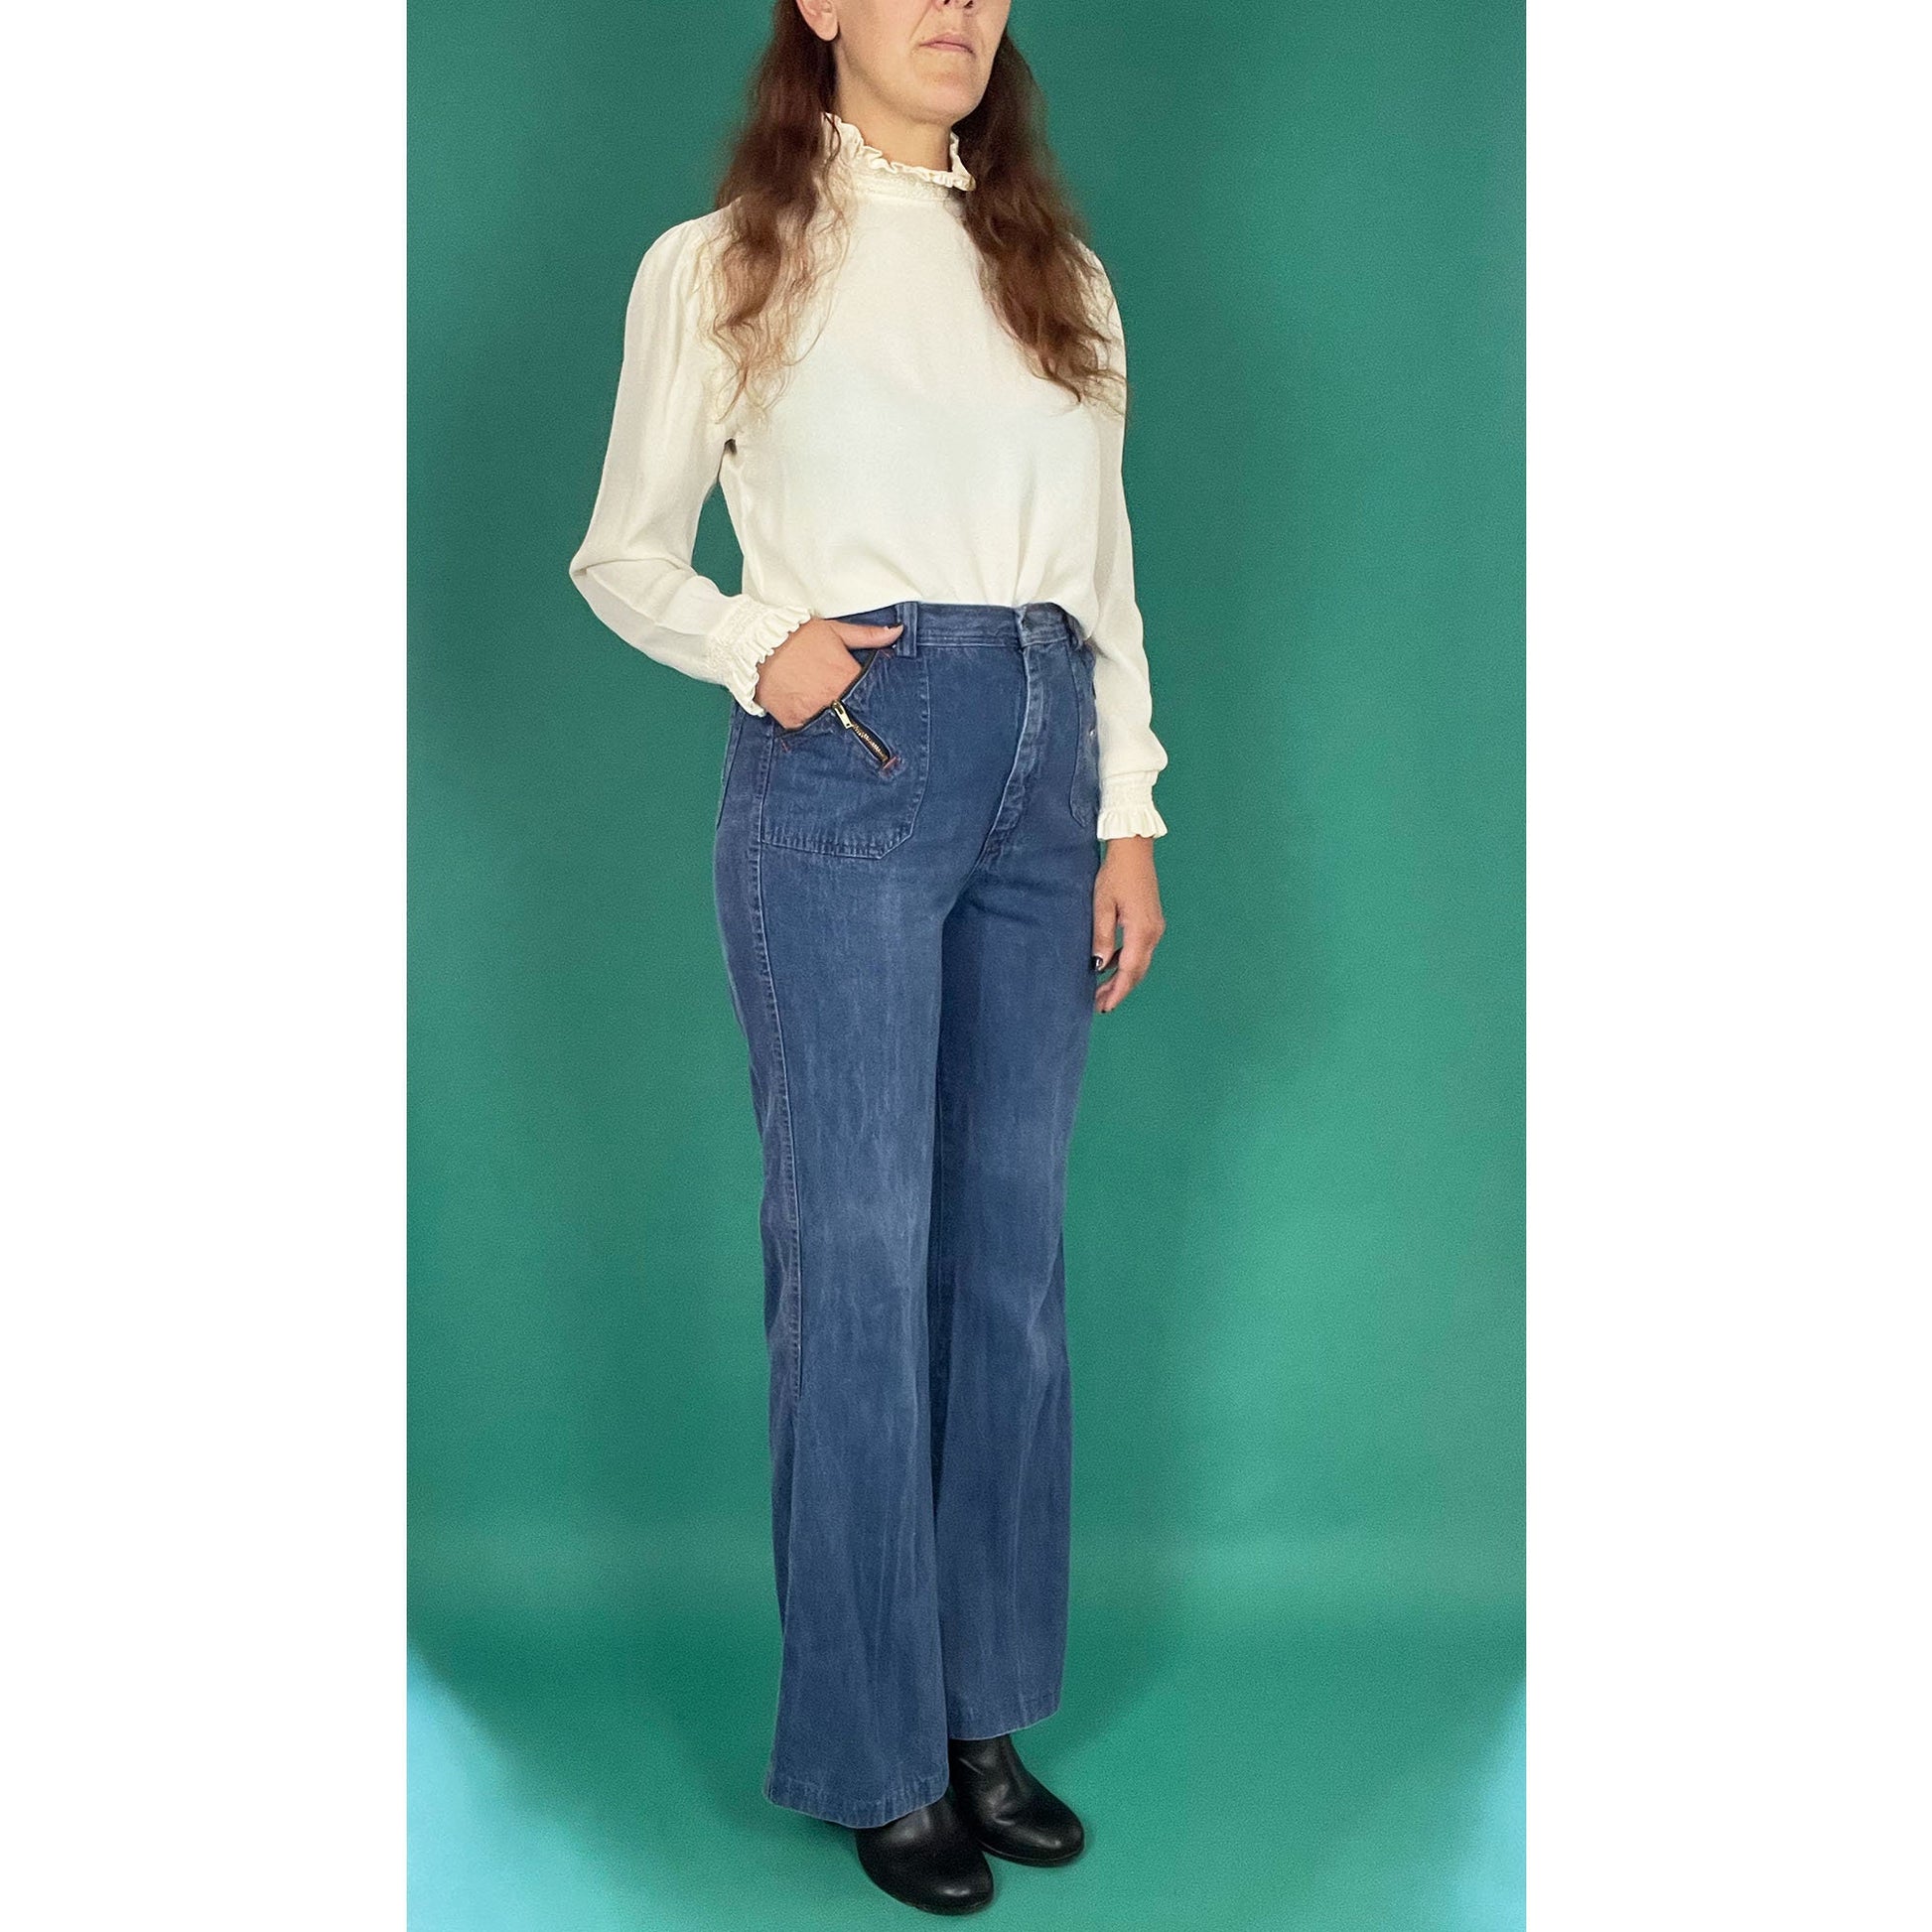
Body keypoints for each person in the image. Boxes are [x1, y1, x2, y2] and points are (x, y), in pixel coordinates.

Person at [567, 0, 1168, 1912]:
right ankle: (871, 1745)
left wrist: (1128, 806)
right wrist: (764, 647)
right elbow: (622, 550)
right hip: (852, 765)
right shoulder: (726, 261)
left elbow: (1102, 569)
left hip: (1045, 769)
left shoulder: (1056, 270)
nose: (955, 12)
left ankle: (980, 1713)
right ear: (818, 6)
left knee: (1007, 1262)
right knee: (855, 1257)